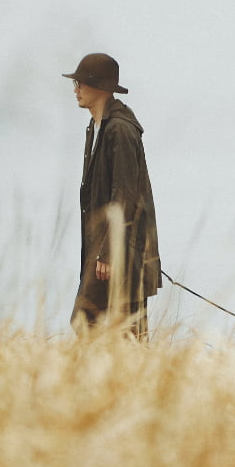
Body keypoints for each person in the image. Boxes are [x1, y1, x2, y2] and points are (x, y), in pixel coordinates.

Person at [65, 53, 161, 338]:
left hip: (121, 255)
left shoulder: (119, 130)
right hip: (105, 254)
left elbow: (125, 196)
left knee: (102, 329)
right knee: (114, 333)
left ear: (100, 87)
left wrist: (107, 252)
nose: (76, 90)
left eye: (80, 83)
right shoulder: (97, 128)